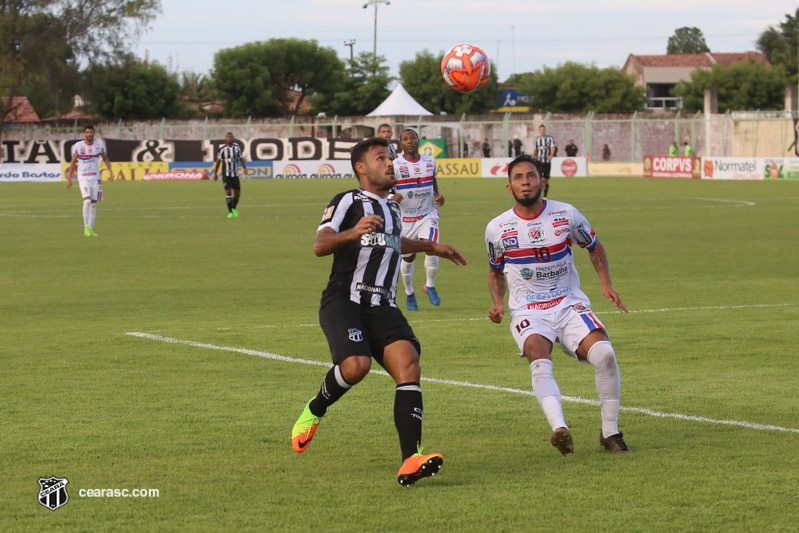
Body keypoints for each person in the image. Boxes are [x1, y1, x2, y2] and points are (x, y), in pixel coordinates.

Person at [291, 137, 467, 486]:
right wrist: (352, 231)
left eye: (391, 158)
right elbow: (320, 244)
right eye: (382, 158)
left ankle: (409, 460)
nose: (391, 163)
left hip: (383, 306)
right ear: (361, 167)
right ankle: (316, 408)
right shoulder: (347, 201)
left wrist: (434, 247)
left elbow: (395, 243)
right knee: (356, 367)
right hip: (345, 301)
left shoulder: (391, 209)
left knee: (408, 365)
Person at [485, 154, 631, 456]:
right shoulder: (497, 228)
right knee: (538, 356)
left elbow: (594, 247)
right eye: (518, 177)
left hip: (568, 303)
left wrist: (605, 283)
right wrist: (498, 302)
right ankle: (559, 428)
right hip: (528, 309)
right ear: (509, 187)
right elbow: (496, 271)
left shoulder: (566, 214)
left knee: (604, 355)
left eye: (531, 176)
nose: (525, 182)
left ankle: (611, 434)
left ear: (543, 181)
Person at [392, 129, 446, 310]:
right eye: (405, 139)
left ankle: (430, 285)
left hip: (427, 214)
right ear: (401, 144)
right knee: (408, 259)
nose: (410, 141)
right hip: (405, 220)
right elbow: (386, 188)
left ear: (418, 141)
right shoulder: (395, 165)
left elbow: (433, 179)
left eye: (412, 138)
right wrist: (392, 197)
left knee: (432, 247)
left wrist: (438, 195)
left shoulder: (430, 161)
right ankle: (409, 292)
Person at [66, 125, 113, 237]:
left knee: (93, 204)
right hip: (83, 177)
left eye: (91, 132)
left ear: (94, 133)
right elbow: (73, 162)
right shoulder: (78, 146)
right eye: (87, 132)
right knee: (86, 201)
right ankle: (86, 228)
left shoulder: (99, 145)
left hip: (95, 178)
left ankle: (91, 229)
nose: (89, 134)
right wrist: (69, 179)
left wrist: (110, 171)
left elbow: (105, 159)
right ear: (84, 134)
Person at [212, 132, 247, 218]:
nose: (230, 138)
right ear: (226, 139)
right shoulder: (222, 150)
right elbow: (218, 162)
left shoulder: (237, 148)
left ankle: (234, 208)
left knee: (237, 194)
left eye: (231, 137)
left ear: (233, 138)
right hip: (226, 174)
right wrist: (215, 173)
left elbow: (241, 158)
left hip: (235, 174)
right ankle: (230, 212)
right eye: (228, 137)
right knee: (228, 192)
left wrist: (244, 168)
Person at [532, 124, 556, 198]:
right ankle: (538, 194)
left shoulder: (550, 139)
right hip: (539, 161)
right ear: (539, 131)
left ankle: (545, 196)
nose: (542, 131)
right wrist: (533, 158)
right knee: (539, 177)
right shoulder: (537, 139)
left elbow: (552, 147)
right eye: (541, 130)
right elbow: (535, 149)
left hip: (547, 162)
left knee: (546, 178)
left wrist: (551, 155)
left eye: (544, 129)